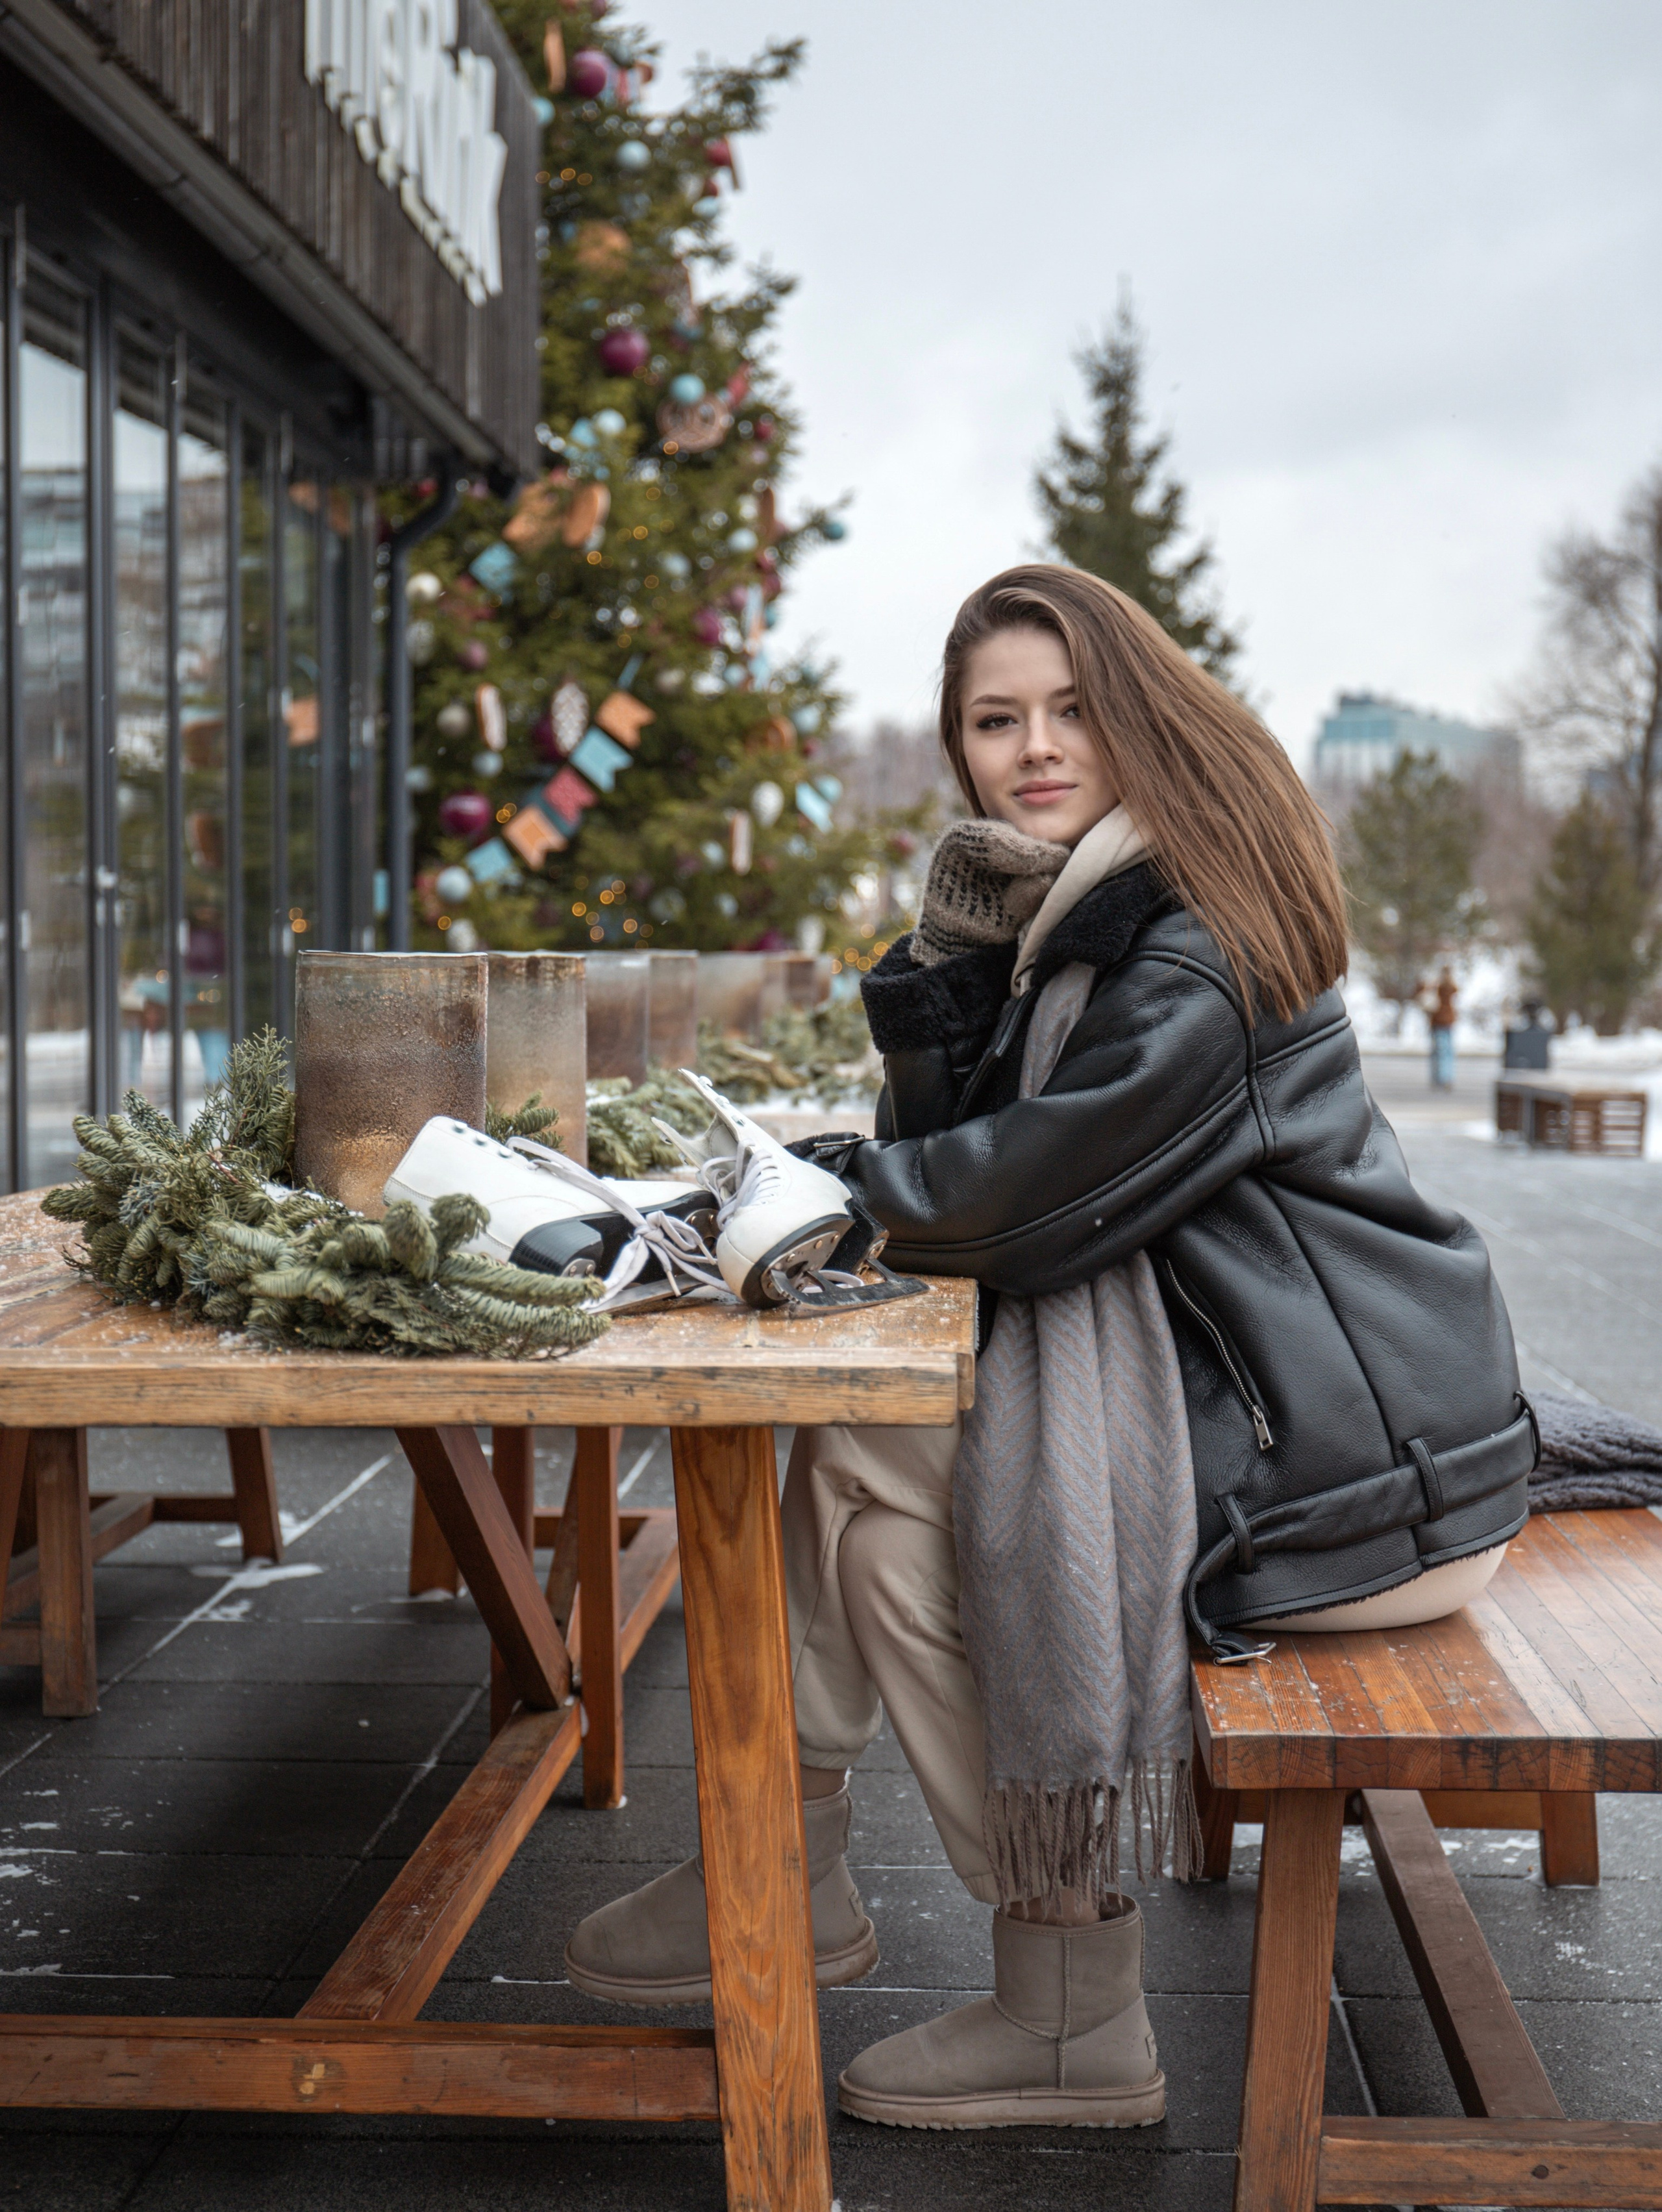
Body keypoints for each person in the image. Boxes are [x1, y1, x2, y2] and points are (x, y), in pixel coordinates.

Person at [564, 565, 1531, 2130]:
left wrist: (808, 1187)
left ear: (1138, 709)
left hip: (1351, 1460)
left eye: (1070, 707)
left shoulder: (1197, 939)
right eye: (994, 717)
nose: (1033, 745)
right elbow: (989, 1165)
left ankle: (801, 1856)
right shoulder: (1073, 914)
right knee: (882, 1551)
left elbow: (1017, 1198)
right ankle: (1047, 1994)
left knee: (854, 1444)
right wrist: (948, 980)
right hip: (1246, 1395)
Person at [1419, 965, 1459, 1089]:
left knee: (1442, 1052)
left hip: (1441, 1023)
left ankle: (1442, 1078)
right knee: (1444, 1052)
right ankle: (1443, 1078)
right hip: (1442, 1023)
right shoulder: (1444, 987)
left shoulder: (1440, 987)